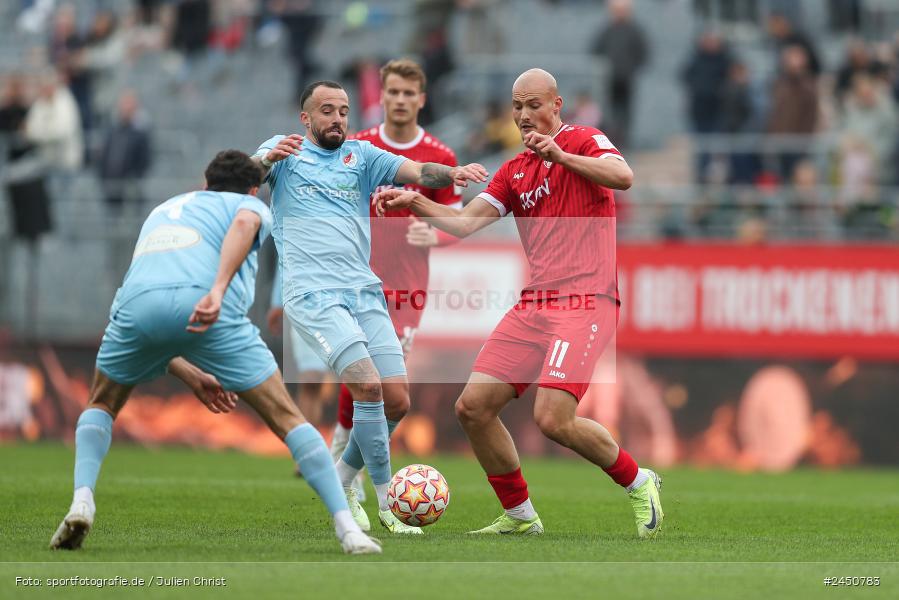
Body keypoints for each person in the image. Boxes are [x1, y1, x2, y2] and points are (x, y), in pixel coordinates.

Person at [374, 68, 664, 539]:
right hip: (535, 304)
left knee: (552, 418)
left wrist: (564, 156)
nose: (525, 115)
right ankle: (521, 515)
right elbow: (465, 224)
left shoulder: (585, 140)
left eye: (534, 105)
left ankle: (638, 480)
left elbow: (623, 176)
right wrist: (414, 201)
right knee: (472, 407)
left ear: (556, 105)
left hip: (587, 300)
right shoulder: (514, 170)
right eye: (517, 106)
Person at [49, 150, 380, 555]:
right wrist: (218, 289)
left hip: (134, 309)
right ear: (254, 189)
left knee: (101, 402)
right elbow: (244, 222)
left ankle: (82, 499)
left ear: (205, 183)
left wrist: (190, 373)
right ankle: (348, 530)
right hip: (210, 310)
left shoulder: (164, 210)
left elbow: (156, 310)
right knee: (287, 417)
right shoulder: (247, 204)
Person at [251, 80, 486, 534]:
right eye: (327, 111)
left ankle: (341, 479)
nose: (337, 118)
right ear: (306, 119)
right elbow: (243, 177)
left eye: (343, 110)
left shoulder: (361, 156)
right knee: (369, 388)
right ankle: (385, 505)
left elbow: (419, 172)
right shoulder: (285, 153)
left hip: (364, 291)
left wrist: (453, 176)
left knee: (396, 400)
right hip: (313, 297)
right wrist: (265, 160)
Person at [329, 58, 462, 505]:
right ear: (381, 96)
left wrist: (437, 235)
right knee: (364, 377)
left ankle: (346, 468)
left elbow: (458, 221)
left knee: (385, 386)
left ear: (421, 99)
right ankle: (350, 471)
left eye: (409, 93)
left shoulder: (441, 158)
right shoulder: (357, 146)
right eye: (394, 92)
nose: (401, 100)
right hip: (355, 278)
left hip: (406, 288)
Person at [589, 0, 648, 149]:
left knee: (625, 113)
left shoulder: (635, 31)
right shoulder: (607, 31)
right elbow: (595, 50)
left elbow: (643, 53)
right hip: (608, 80)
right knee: (608, 112)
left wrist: (632, 68)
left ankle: (624, 142)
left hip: (626, 79)